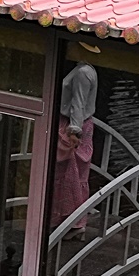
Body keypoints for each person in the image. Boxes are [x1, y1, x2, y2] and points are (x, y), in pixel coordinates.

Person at [52, 45, 99, 230]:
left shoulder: (83, 73)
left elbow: (78, 103)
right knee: (74, 174)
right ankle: (71, 220)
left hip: (76, 125)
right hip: (78, 123)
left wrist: (74, 130)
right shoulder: (86, 69)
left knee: (70, 173)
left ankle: (73, 222)